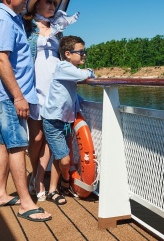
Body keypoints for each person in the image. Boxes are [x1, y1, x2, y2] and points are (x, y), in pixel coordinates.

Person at [0, 0, 51, 221]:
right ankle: (26, 203)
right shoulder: (3, 20)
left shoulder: (12, 21)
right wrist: (19, 97)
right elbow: (1, 59)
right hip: (8, 94)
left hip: (9, 93)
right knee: (17, 146)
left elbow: (0, 55)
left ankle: (0, 194)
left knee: (5, 143)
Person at [23, 0, 79, 203]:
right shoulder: (26, 27)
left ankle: (40, 181)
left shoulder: (58, 29)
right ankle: (35, 173)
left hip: (56, 90)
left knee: (50, 137)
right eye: (47, 2)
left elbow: (67, 56)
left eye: (54, 3)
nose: (52, 6)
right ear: (36, 5)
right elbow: (12, 50)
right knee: (36, 138)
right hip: (35, 87)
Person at [41, 35, 95, 204]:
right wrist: (91, 72)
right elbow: (83, 75)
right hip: (53, 121)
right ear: (68, 53)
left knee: (60, 157)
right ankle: (65, 181)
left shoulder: (67, 69)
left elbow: (70, 91)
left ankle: (53, 191)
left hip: (66, 121)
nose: (84, 55)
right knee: (64, 159)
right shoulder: (63, 66)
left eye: (84, 51)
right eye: (81, 52)